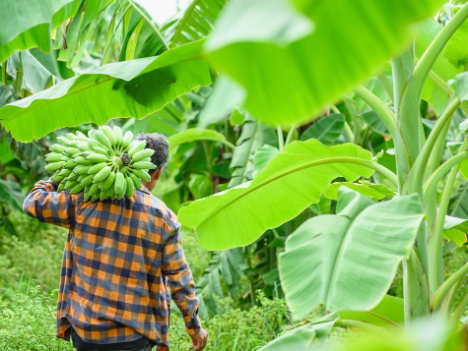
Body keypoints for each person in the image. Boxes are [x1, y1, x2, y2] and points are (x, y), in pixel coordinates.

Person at [23, 132, 208, 351]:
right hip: (133, 335)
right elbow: (180, 281)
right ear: (158, 172)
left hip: (87, 332)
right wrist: (194, 327)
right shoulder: (163, 217)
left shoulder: (83, 199)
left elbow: (33, 202)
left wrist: (61, 175)